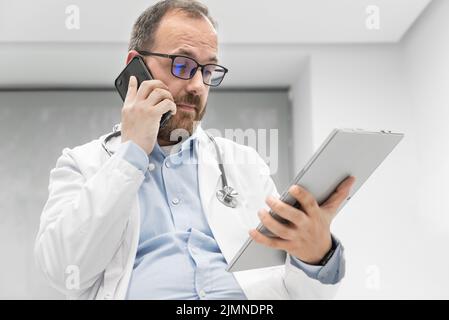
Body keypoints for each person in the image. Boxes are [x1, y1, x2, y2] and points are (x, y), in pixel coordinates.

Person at [34, 0, 355, 300]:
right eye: (182, 65)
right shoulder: (82, 164)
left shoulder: (244, 164)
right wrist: (130, 154)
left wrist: (315, 256)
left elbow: (293, 291)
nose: (198, 86)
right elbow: (63, 272)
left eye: (207, 71)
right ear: (136, 66)